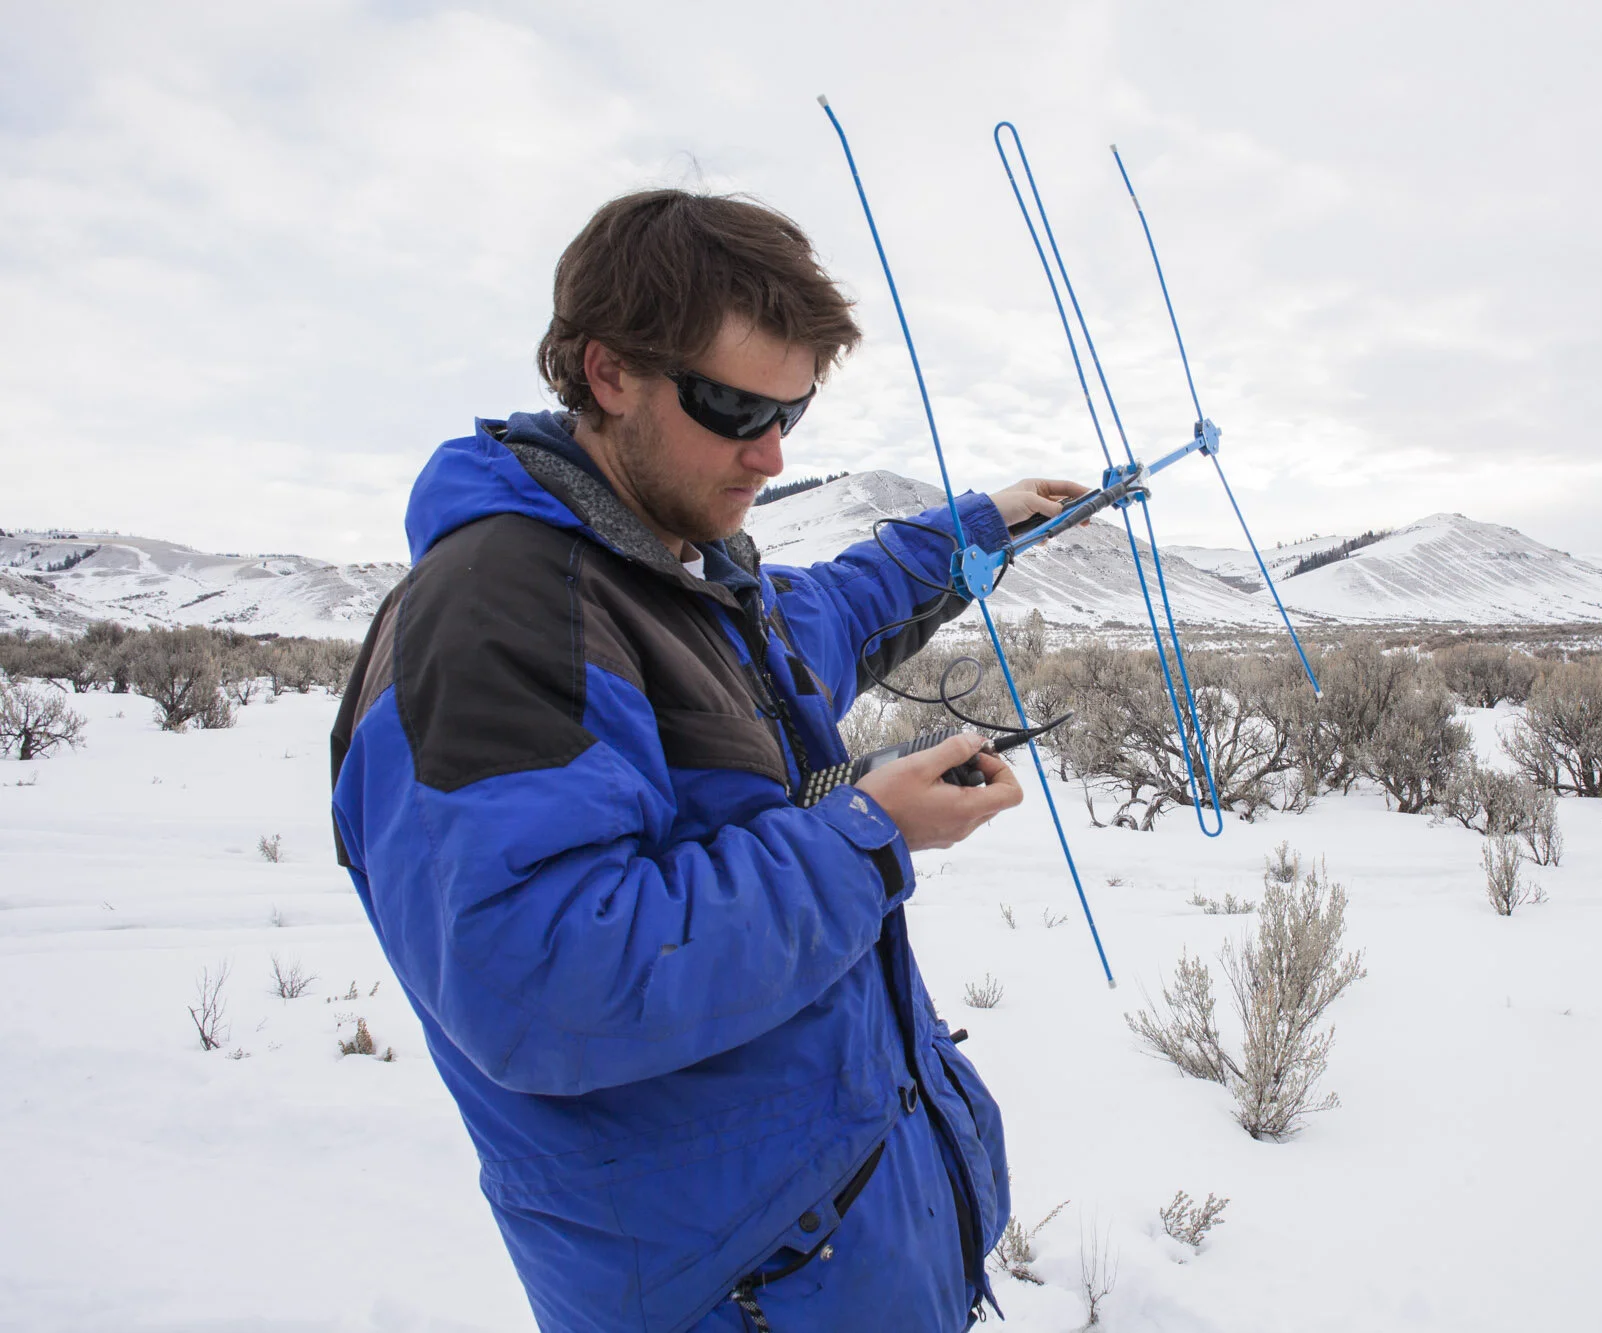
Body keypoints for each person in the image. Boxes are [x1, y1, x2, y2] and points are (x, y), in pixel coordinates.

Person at [330, 188, 1087, 1332]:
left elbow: (825, 616)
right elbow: (537, 977)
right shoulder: (500, 613)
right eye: (734, 405)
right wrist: (866, 834)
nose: (771, 453)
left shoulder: (680, 576)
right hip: (725, 1293)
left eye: (794, 411)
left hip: (834, 1257)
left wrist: (975, 529)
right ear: (608, 372)